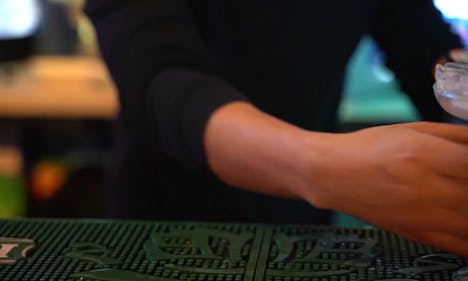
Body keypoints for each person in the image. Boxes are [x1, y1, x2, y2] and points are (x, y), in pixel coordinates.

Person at [85, 0, 468, 256]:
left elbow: (428, 54)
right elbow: (162, 83)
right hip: (163, 234)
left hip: (303, 237)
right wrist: (323, 165)